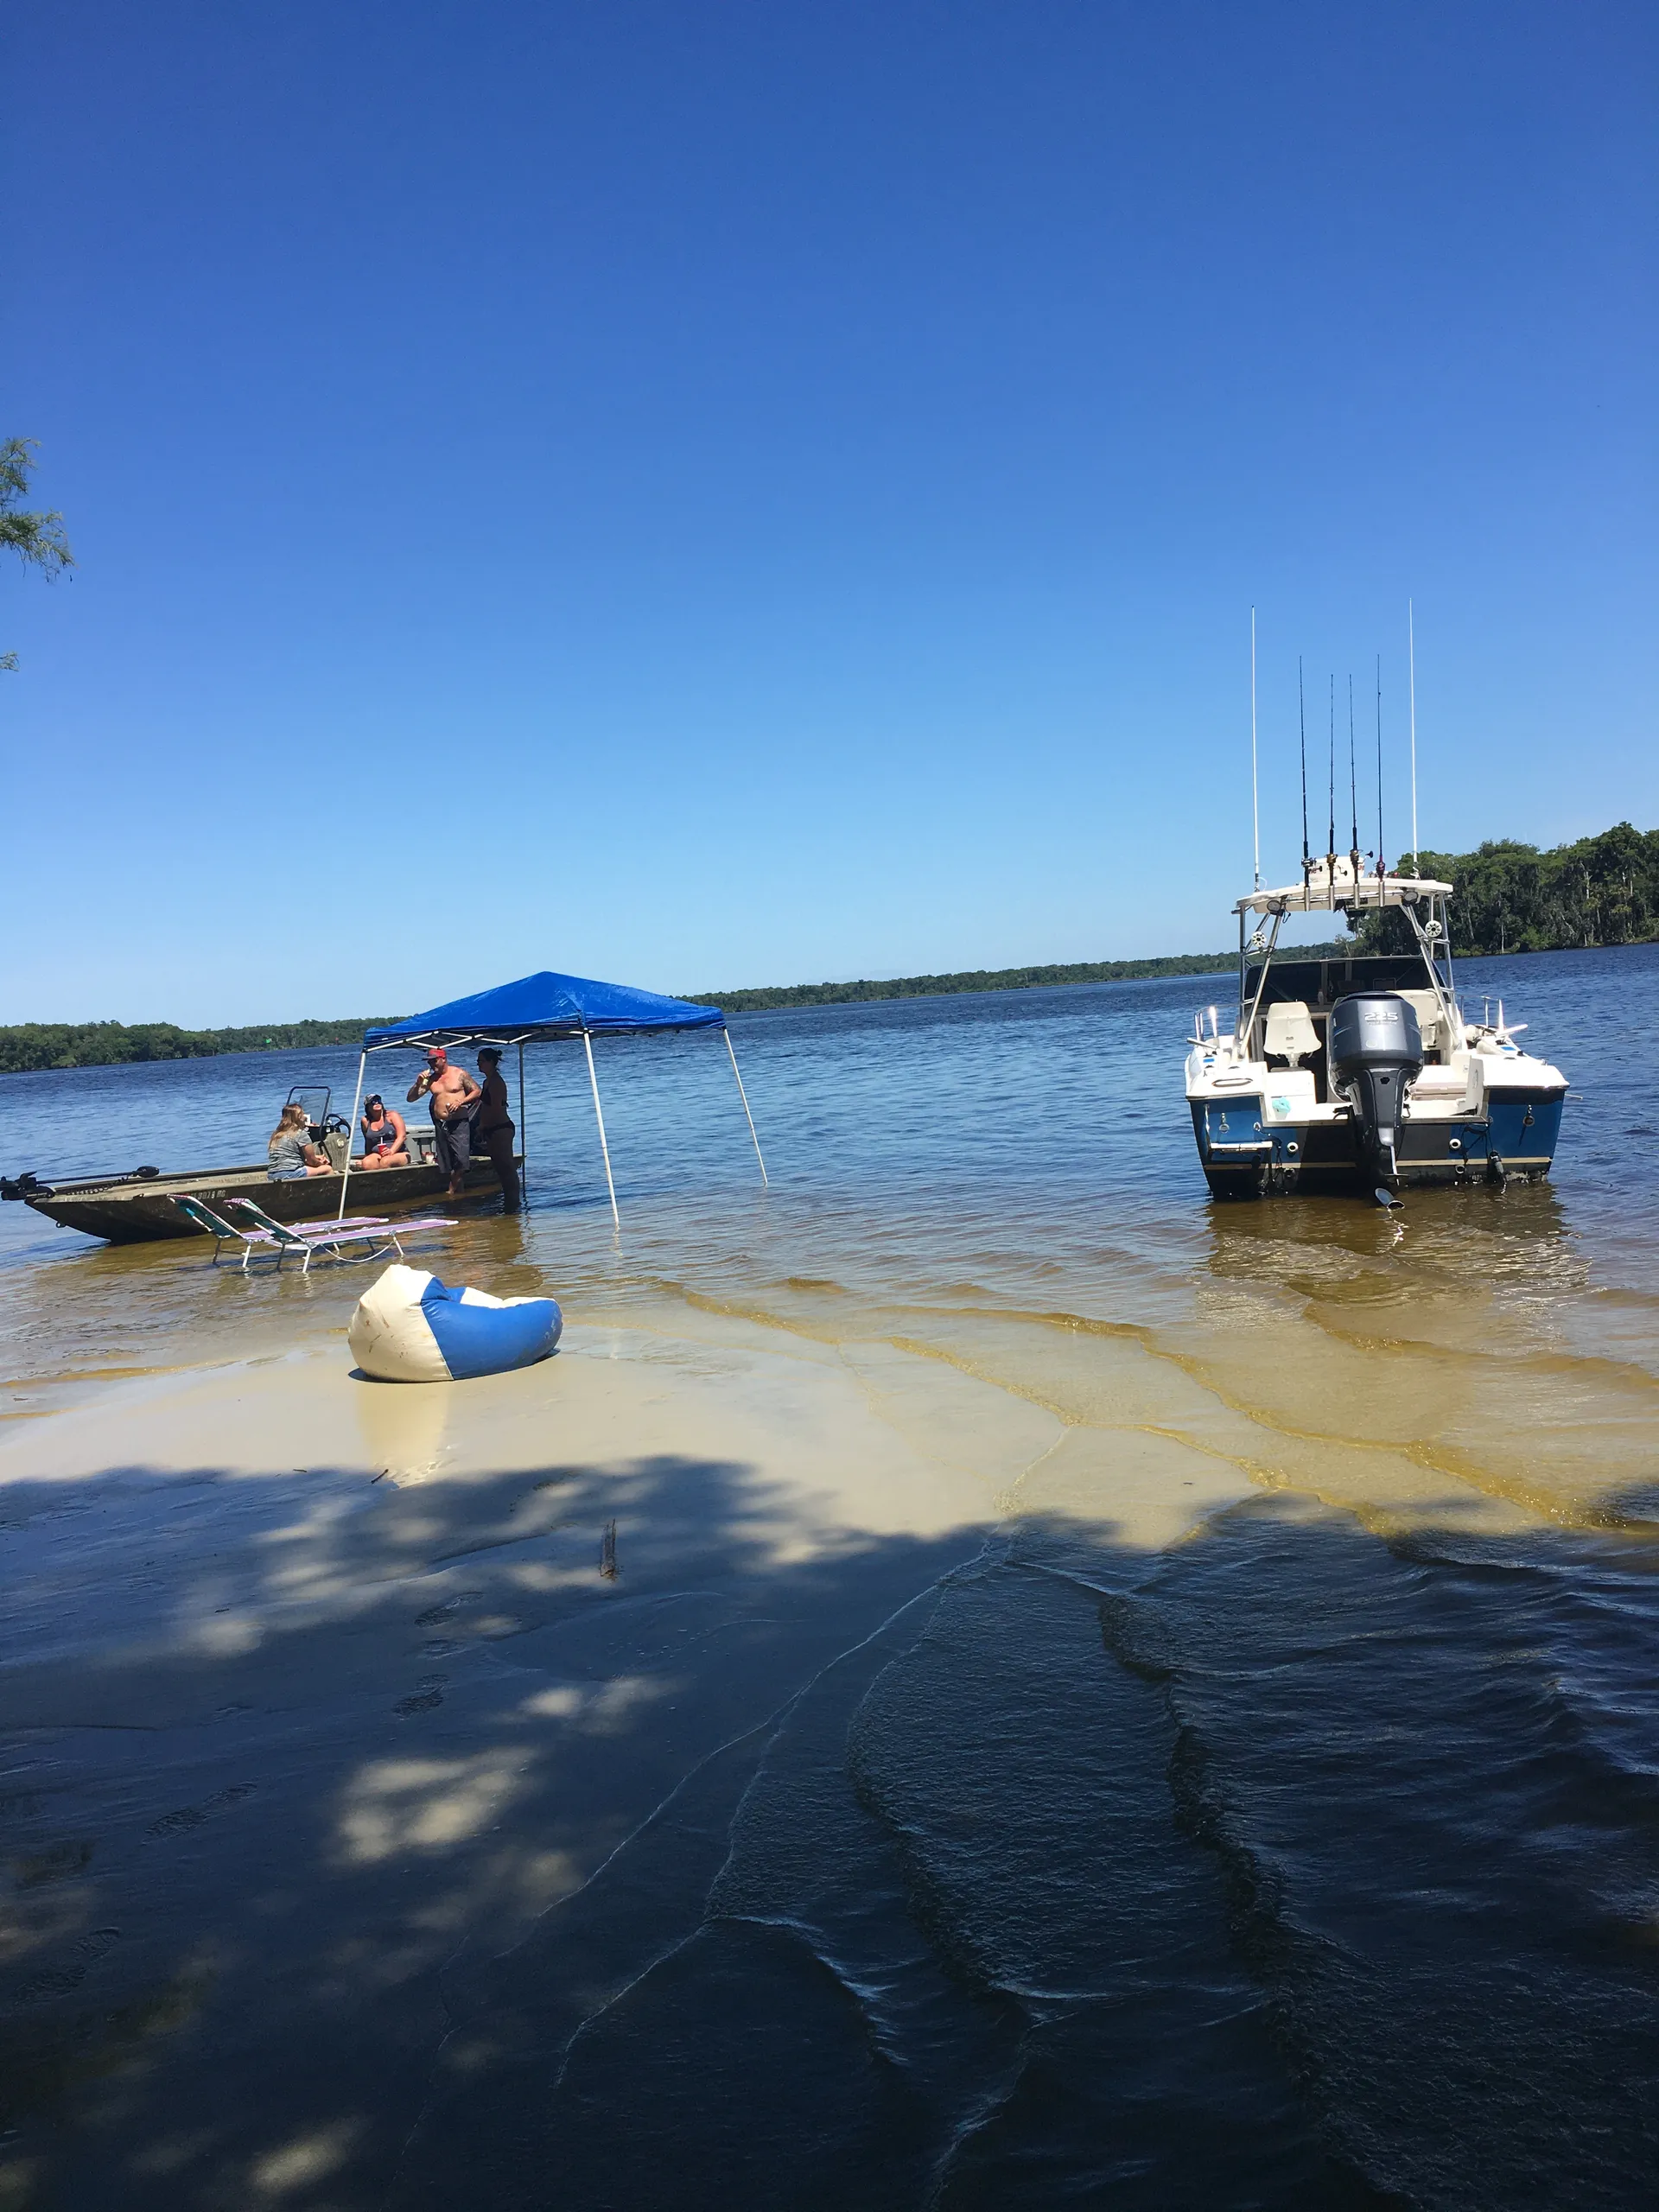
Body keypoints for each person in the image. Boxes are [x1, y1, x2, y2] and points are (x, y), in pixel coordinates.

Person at [407, 1046, 480, 1196]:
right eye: (429, 1062)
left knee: (461, 1160)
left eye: (434, 1061)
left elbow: (477, 1091)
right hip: (441, 1124)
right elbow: (411, 1098)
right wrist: (417, 1083)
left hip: (459, 1122)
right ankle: (460, 1194)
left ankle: (451, 1191)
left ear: (443, 1059)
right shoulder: (431, 1080)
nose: (432, 1064)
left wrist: (461, 1102)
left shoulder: (459, 1074)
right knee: (447, 1163)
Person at [473, 1047, 521, 1211]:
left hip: (500, 1128)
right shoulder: (487, 1081)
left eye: (481, 1061)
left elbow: (496, 1108)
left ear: (491, 1062)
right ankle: (509, 1201)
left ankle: (514, 1202)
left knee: (507, 1167)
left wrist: (484, 1125)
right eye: (478, 1061)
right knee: (500, 1168)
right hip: (491, 1129)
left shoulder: (496, 1082)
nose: (478, 1064)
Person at [267, 1101, 334, 1181]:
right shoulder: (300, 1134)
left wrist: (317, 1158)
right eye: (303, 1114)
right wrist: (321, 1163)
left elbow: (287, 1155)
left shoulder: (276, 1134)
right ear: (299, 1117)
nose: (305, 1117)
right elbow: (311, 1161)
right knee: (327, 1169)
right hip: (291, 1173)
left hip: (272, 1174)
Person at [357, 1096, 409, 1170]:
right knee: (367, 1163)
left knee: (385, 1162)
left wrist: (391, 1151)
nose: (377, 1103)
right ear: (368, 1106)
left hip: (399, 1152)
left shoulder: (392, 1115)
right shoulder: (365, 1121)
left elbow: (402, 1136)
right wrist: (366, 1157)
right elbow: (368, 1141)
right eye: (373, 1102)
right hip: (377, 1153)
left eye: (378, 1100)